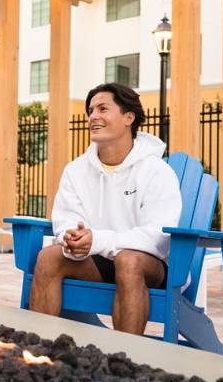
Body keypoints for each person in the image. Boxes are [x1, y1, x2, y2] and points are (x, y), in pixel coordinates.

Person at [29, 82, 182, 334]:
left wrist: (97, 239)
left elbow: (158, 235)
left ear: (128, 117)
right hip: (96, 259)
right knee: (48, 257)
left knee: (128, 260)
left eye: (103, 109)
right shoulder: (76, 170)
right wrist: (71, 236)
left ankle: (125, 360)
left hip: (148, 264)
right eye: (91, 111)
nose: (93, 117)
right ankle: (37, 351)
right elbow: (66, 216)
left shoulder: (157, 171)